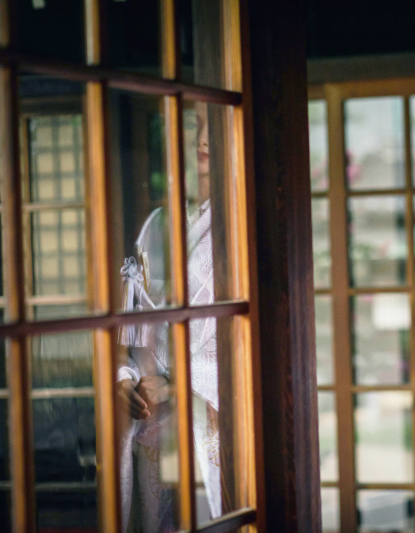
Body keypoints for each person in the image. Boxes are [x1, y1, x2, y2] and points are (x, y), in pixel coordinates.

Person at [116, 102, 222, 532]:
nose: (202, 139)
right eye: (193, 126)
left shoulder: (241, 224)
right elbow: (131, 330)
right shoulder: (157, 224)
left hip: (213, 418)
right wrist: (125, 379)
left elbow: (249, 345)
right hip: (150, 423)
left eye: (211, 127)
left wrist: (177, 385)